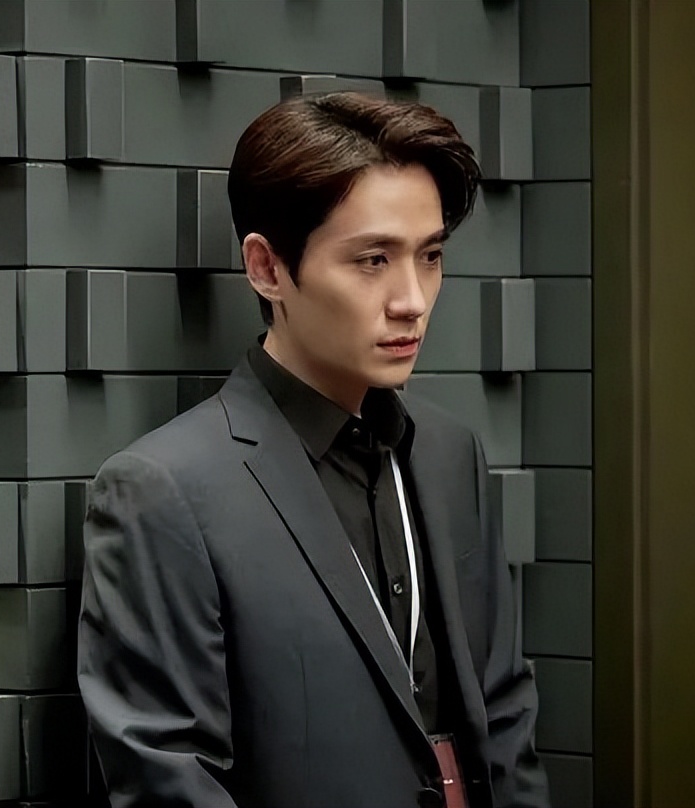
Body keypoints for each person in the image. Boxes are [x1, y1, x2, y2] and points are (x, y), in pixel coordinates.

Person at [77, 92, 549, 808]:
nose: (413, 299)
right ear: (267, 268)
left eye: (430, 256)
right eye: (373, 260)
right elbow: (170, 780)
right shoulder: (164, 491)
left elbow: (505, 714)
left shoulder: (450, 455)